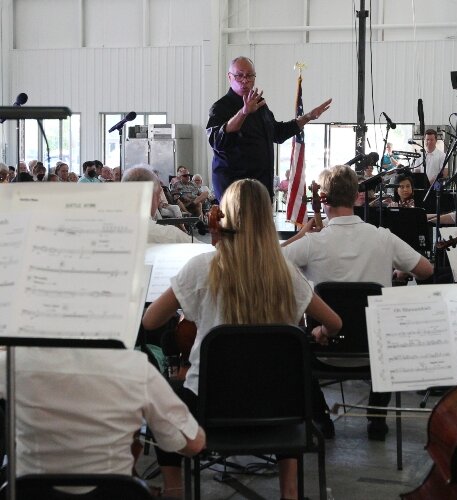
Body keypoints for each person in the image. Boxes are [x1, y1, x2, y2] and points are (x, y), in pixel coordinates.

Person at [142, 178, 341, 499]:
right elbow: (334, 322)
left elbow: (151, 320)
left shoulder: (201, 268)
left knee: (161, 399)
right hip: (279, 410)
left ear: (226, 219)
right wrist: (319, 332)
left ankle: (175, 490)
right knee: (285, 384)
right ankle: (289, 490)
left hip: (209, 408)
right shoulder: (285, 271)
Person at [282, 165, 433, 441]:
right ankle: (377, 415)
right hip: (375, 354)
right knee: (390, 332)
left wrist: (303, 233)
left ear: (323, 199)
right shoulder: (383, 238)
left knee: (289, 342)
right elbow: (426, 270)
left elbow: (268, 264)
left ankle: (320, 418)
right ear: (357, 198)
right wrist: (397, 268)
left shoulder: (312, 244)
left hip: (323, 350)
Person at [0, 348, 206, 483]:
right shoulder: (135, 367)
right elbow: (192, 443)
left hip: (31, 492)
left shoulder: (12, 360)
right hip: (114, 492)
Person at [207, 56, 332, 201]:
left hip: (262, 187)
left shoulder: (260, 105)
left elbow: (277, 133)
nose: (245, 80)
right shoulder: (220, 107)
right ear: (230, 77)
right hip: (234, 192)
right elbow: (217, 141)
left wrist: (307, 117)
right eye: (239, 75)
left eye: (249, 76)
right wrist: (243, 113)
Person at [122, 166, 193, 244]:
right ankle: (183, 226)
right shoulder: (170, 236)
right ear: (151, 194)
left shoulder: (111, 231)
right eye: (158, 194)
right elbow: (205, 253)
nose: (159, 197)